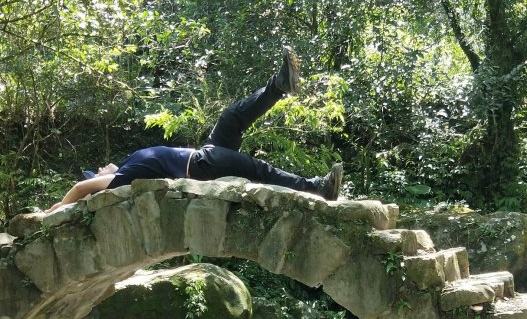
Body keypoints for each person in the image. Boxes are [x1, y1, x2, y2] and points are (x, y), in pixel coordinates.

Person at [46, 48, 343, 212]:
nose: (98, 169)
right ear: (103, 182)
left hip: (206, 154)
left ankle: (279, 85)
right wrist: (58, 208)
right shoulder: (120, 180)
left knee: (231, 116)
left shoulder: (127, 166)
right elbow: (81, 189)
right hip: (202, 167)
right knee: (260, 169)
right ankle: (317, 187)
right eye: (96, 173)